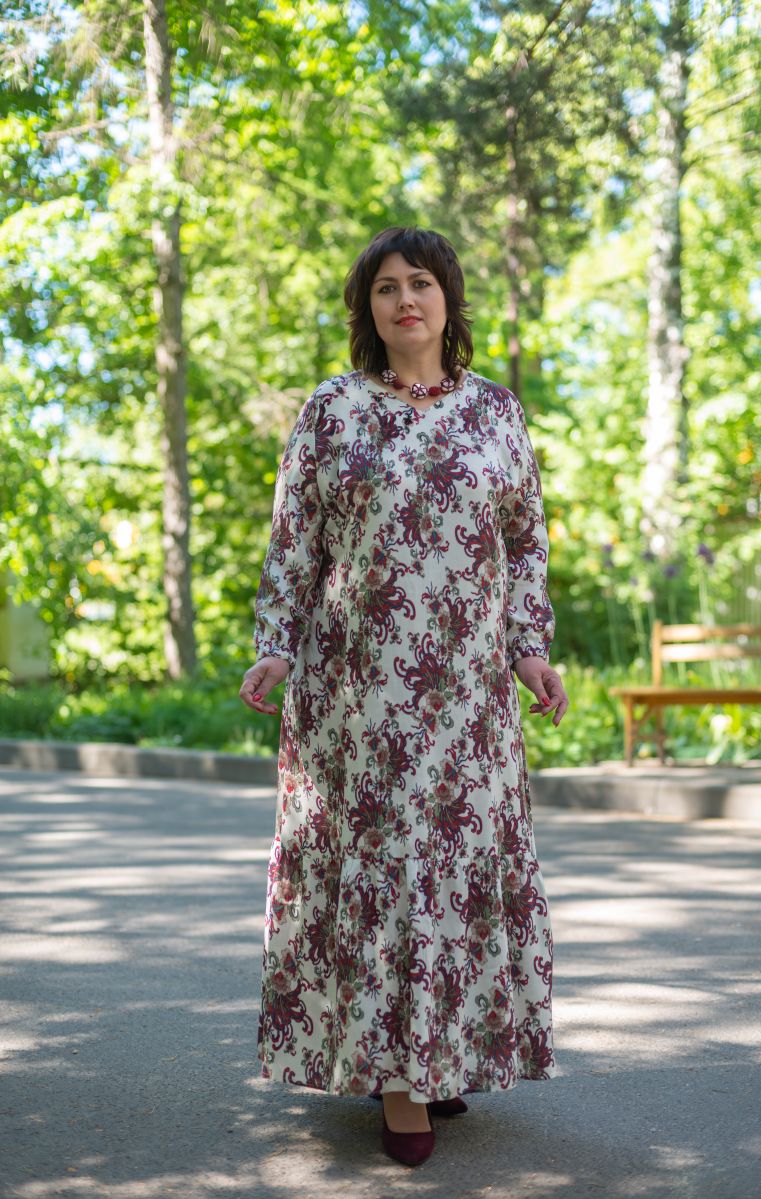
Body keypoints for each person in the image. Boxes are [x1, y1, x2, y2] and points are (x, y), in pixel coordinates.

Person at [239, 225, 569, 1166]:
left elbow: (525, 541)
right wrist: (275, 646)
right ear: (369, 311)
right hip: (358, 695)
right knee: (387, 868)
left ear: (447, 298)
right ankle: (398, 1079)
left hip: (466, 695)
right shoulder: (333, 409)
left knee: (457, 867)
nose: (404, 300)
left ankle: (440, 1049)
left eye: (419, 282)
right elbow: (295, 540)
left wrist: (530, 649)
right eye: (385, 288)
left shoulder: (496, 411)